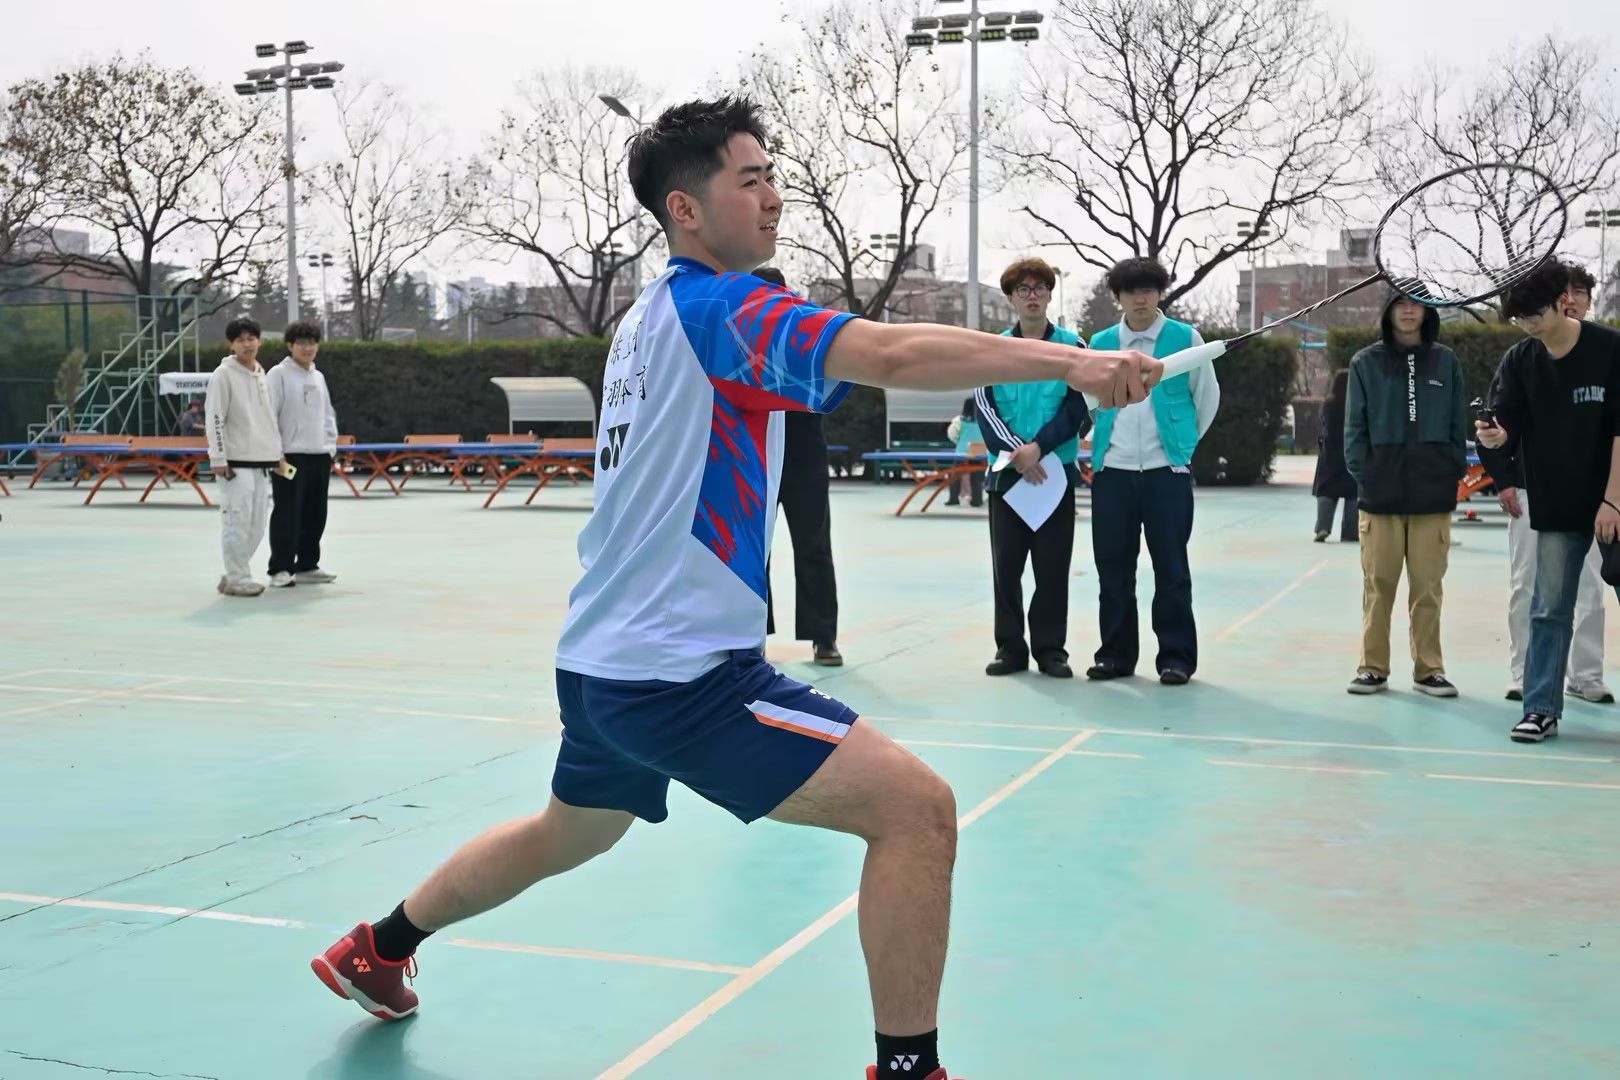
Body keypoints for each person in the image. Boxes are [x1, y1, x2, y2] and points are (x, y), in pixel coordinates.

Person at [309, 96, 1161, 1080]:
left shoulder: (649, 320)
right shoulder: (720, 308)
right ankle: (910, 1071)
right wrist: (1078, 363)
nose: (772, 198)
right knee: (916, 812)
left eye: (771, 179)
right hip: (681, 675)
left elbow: (814, 382)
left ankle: (380, 947)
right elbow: (889, 354)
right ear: (685, 208)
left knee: (566, 833)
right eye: (749, 181)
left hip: (600, 663)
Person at [1476, 259, 1620, 742]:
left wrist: (1612, 502)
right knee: (1549, 609)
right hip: (1557, 505)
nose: (1527, 325)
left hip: (1613, 502)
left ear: (1564, 302)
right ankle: (1540, 709)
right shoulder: (1520, 360)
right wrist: (1495, 438)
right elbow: (1506, 427)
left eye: (1534, 315)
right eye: (1519, 319)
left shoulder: (1610, 349)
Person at [1084, 257, 1219, 685]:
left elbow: (1206, 396)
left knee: (1171, 569)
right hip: (1112, 472)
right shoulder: (1101, 342)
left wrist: (1182, 449)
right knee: (1113, 570)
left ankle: (1176, 659)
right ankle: (1114, 656)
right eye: (1131, 291)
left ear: (1160, 293)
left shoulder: (1185, 338)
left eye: (1148, 290)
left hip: (1167, 473)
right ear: (1118, 297)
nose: (1140, 298)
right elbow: (1089, 401)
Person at [1342, 292, 1467, 696]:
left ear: (1427, 311)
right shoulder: (1365, 362)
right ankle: (1372, 668)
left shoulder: (1446, 361)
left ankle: (1429, 669)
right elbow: (1354, 429)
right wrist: (1368, 476)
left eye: (1416, 303)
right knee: (1378, 585)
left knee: (1427, 587)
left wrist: (1451, 470)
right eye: (1400, 303)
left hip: (1432, 494)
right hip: (1381, 495)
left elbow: (1457, 422)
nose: (1409, 310)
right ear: (1388, 311)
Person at [974, 256, 1090, 678]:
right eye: (1022, 289)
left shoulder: (1074, 347)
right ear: (1011, 298)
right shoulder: (994, 349)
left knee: (1052, 568)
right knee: (1006, 568)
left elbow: (1078, 406)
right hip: (1007, 476)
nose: (1032, 296)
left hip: (1055, 475)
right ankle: (1010, 649)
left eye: (1040, 287)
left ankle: (1050, 650)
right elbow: (984, 406)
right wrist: (1016, 453)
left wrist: (1039, 449)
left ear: (1050, 294)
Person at [757, 266, 843, 665]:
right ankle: (751, 635)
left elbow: (831, 389)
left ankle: (824, 638)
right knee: (754, 550)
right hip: (756, 456)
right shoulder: (738, 340)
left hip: (804, 455)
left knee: (813, 545)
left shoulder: (807, 339)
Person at [204, 317, 288, 598]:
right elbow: (215, 418)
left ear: (259, 341)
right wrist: (218, 457)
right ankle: (238, 578)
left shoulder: (261, 375)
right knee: (236, 522)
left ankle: (233, 574)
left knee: (257, 525)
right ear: (232, 345)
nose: (247, 344)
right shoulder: (223, 375)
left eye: (251, 338)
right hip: (234, 464)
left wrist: (277, 454)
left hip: (262, 462)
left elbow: (268, 419)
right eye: (240, 340)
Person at [266, 321, 340, 588]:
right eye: (301, 343)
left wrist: (330, 448)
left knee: (315, 513)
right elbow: (269, 416)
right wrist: (276, 454)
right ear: (290, 345)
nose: (307, 348)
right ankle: (280, 568)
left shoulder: (318, 377)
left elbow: (328, 415)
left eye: (312, 342)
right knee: (287, 512)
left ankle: (308, 565)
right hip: (290, 456)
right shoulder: (278, 374)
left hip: (319, 455)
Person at [1312, 369, 1357, 542]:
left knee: (1326, 490)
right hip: (1351, 452)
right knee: (1353, 493)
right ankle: (1351, 530)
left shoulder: (1329, 404)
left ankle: (1323, 527)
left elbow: (1324, 425)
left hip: (1330, 454)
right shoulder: (1356, 403)